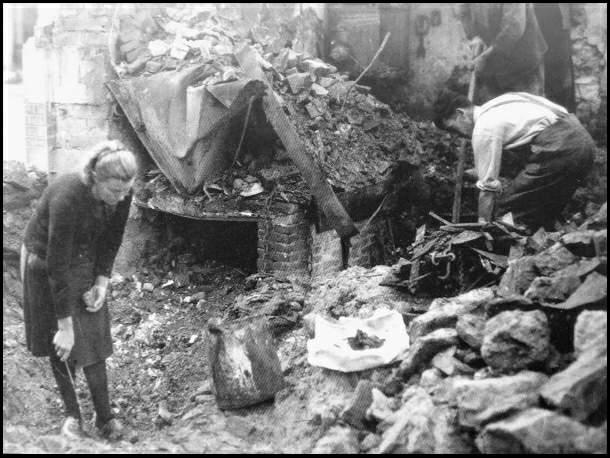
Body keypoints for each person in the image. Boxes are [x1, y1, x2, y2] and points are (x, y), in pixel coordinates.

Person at [21, 140, 137, 440]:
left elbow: (111, 241)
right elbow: (57, 266)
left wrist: (101, 282)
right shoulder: (68, 196)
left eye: (125, 191)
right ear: (95, 178)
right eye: (114, 191)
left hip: (83, 257)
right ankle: (73, 417)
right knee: (62, 343)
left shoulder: (122, 193)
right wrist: (64, 325)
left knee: (94, 335)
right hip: (44, 262)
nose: (121, 197)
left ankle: (105, 417)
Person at [433, 90, 595, 231]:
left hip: (561, 148)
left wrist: (482, 225)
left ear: (460, 113)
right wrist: (478, 172)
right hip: (582, 140)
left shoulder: (483, 128)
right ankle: (545, 239)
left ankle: (510, 256)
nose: (458, 135)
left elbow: (488, 190)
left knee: (506, 211)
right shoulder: (500, 103)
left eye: (453, 129)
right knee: (542, 208)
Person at [457, 3, 548, 104]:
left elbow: (514, 27)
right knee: (496, 112)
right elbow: (464, 13)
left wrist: (485, 56)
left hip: (522, 65)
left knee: (527, 112)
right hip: (492, 68)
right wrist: (474, 36)